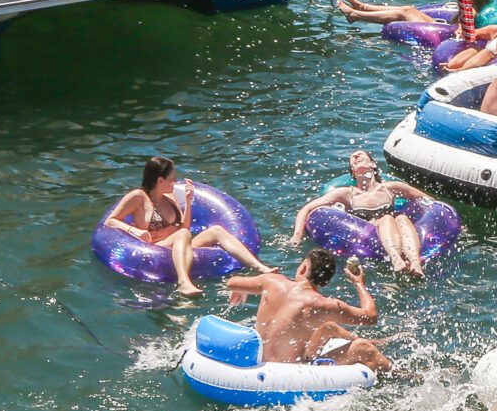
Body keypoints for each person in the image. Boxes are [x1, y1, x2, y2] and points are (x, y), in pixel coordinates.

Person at [102, 156, 271, 296]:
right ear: (160, 180)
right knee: (182, 235)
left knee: (216, 231)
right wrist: (134, 230)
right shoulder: (138, 197)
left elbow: (184, 227)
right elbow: (111, 220)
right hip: (156, 248)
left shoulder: (171, 197)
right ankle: (183, 282)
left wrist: (188, 202)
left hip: (179, 244)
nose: (175, 181)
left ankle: (259, 267)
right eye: (171, 178)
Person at [228, 248, 388, 370]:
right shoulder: (324, 305)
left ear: (303, 269)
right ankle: (398, 377)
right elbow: (370, 316)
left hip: (259, 361)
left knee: (329, 327)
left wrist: (242, 289)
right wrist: (359, 283)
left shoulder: (271, 281)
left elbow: (232, 282)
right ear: (325, 282)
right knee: (362, 347)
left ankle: (372, 342)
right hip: (290, 372)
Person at [293, 151, 439, 275]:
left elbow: (428, 201)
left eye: (361, 155)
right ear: (353, 170)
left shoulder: (391, 188)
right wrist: (297, 235)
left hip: (395, 231)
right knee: (387, 218)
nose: (356, 156)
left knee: (401, 217)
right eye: (353, 158)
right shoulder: (346, 194)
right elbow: (307, 209)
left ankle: (415, 262)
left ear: (373, 164)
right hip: (370, 237)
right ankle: (396, 259)